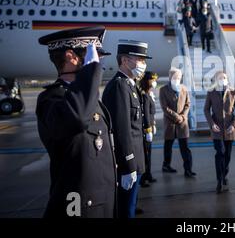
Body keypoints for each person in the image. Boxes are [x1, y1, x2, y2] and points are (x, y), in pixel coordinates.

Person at [36, 26, 117, 218]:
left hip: (101, 202)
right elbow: (77, 119)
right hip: (77, 206)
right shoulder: (52, 99)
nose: (99, 62)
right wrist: (90, 73)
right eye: (94, 57)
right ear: (71, 57)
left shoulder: (84, 97)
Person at [102, 40, 151, 218]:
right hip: (127, 163)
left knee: (129, 206)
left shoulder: (129, 85)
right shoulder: (119, 86)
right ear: (124, 60)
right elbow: (122, 130)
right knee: (125, 211)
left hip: (135, 162)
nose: (143, 64)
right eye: (139, 59)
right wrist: (128, 165)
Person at [204, 71, 235, 193]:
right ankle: (219, 180)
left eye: (224, 77)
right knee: (220, 152)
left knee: (228, 155)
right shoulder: (211, 92)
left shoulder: (233, 91)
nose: (223, 79)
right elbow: (206, 109)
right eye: (220, 78)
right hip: (217, 130)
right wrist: (212, 124)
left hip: (230, 129)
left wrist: (234, 125)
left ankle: (225, 173)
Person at [159, 68, 195, 177]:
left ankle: (188, 169)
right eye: (175, 77)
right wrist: (176, 116)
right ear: (170, 77)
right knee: (168, 146)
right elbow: (165, 107)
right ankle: (166, 165)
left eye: (179, 77)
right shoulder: (163, 89)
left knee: (185, 147)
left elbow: (188, 104)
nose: (177, 79)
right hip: (170, 123)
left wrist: (183, 116)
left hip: (182, 124)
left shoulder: (184, 88)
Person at [139, 71, 159, 187]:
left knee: (149, 153)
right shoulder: (145, 95)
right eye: (153, 80)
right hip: (147, 129)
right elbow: (146, 113)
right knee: (145, 154)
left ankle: (148, 175)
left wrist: (154, 123)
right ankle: (143, 179)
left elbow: (151, 113)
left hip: (151, 126)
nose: (155, 82)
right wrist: (148, 129)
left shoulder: (149, 94)